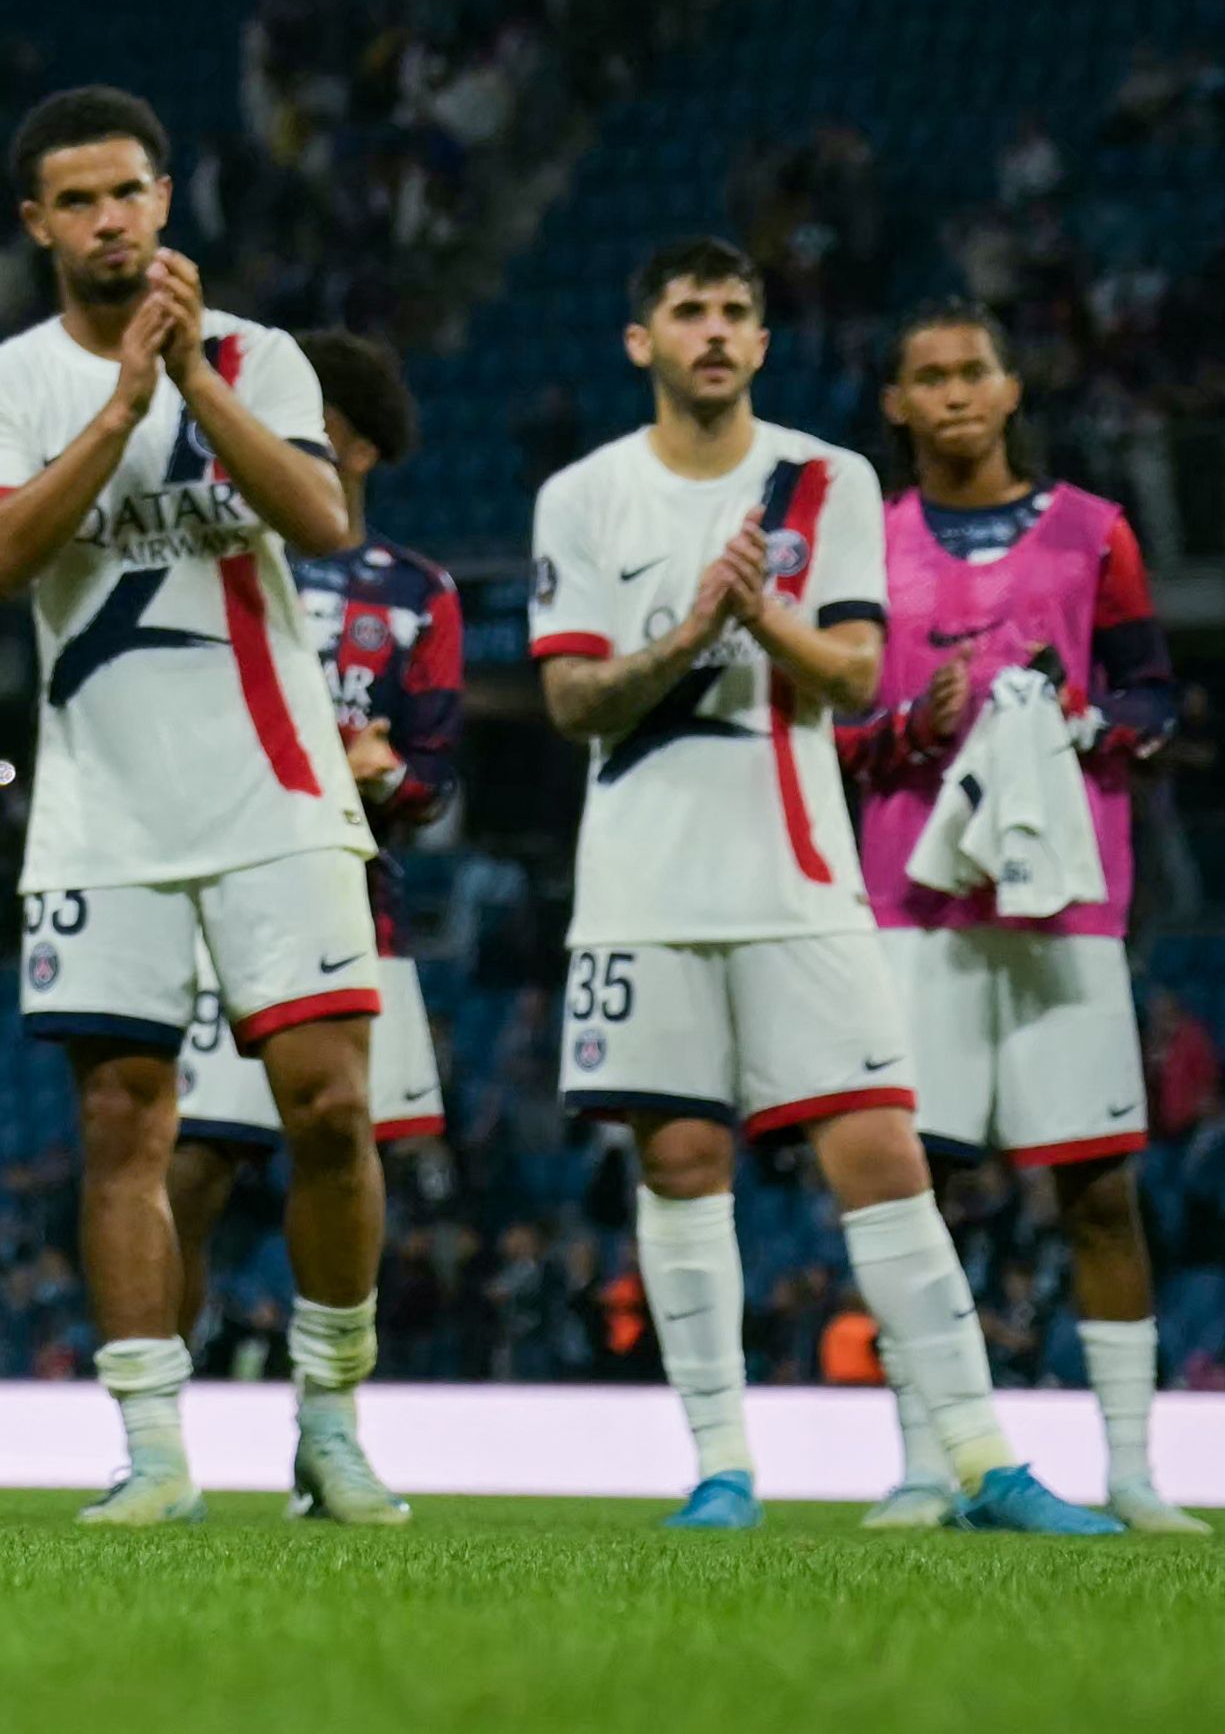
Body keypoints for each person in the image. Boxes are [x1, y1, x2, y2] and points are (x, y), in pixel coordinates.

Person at [531, 240, 1112, 1536]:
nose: (715, 331)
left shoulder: (823, 477)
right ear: (643, 340)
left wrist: (751, 615)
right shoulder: (582, 493)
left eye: (736, 311)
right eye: (688, 311)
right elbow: (569, 695)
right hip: (638, 880)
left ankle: (983, 1460)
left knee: (881, 1151)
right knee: (680, 1159)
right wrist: (683, 636)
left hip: (796, 872)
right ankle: (722, 1467)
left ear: (762, 340)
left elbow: (853, 672)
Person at [0, 86, 397, 1528]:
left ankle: (329, 1422)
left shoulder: (259, 357)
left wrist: (193, 380)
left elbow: (327, 522)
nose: (108, 220)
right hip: (104, 812)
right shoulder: (1, 385)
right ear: (37, 224)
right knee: (123, 1121)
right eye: (76, 201)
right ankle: (152, 1448)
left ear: (165, 197)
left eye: (128, 192)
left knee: (328, 1107)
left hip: (275, 790)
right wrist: (123, 404)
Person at [841, 304, 1191, 1534]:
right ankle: (925, 1461)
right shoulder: (861, 543)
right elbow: (829, 728)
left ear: (1008, 387)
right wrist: (906, 731)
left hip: (1064, 903)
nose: (948, 393)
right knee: (907, 1190)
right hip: (910, 901)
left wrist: (1097, 724)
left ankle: (1134, 1468)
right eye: (924, 375)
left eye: (969, 371)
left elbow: (1153, 689)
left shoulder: (1094, 533)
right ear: (892, 402)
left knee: (1096, 1187)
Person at [166, 332, 460, 1363]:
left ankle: (327, 1417)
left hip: (346, 899)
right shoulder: (204, 562)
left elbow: (434, 775)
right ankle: (153, 1426)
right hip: (210, 894)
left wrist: (387, 778)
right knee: (190, 1171)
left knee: (337, 1157)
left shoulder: (417, 593)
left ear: (359, 446)